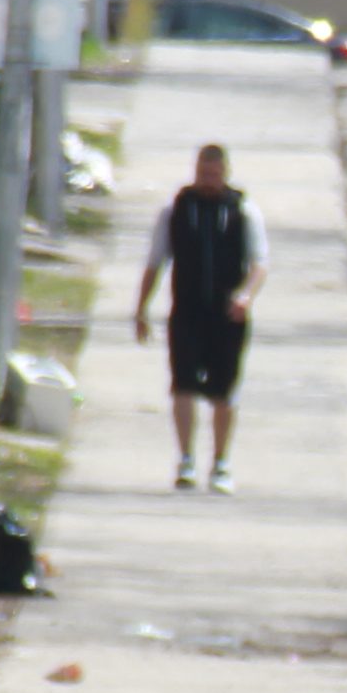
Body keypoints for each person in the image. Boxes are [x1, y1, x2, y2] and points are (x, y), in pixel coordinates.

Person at [128, 143, 268, 490]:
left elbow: (259, 263)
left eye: (215, 175)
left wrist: (246, 296)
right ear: (195, 172)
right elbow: (155, 261)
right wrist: (141, 309)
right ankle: (186, 460)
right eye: (204, 174)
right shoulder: (175, 209)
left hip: (227, 316)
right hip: (186, 312)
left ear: (226, 174)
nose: (209, 181)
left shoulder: (243, 210)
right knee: (183, 386)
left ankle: (221, 462)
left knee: (224, 391)